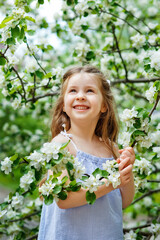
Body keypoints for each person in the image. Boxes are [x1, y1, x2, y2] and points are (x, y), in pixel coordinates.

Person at [38, 65, 135, 240]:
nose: (81, 96)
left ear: (104, 105)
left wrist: (127, 169)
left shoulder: (111, 148)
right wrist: (110, 183)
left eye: (89, 91)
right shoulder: (61, 145)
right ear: (63, 106)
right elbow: (63, 200)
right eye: (73, 91)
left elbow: (123, 202)